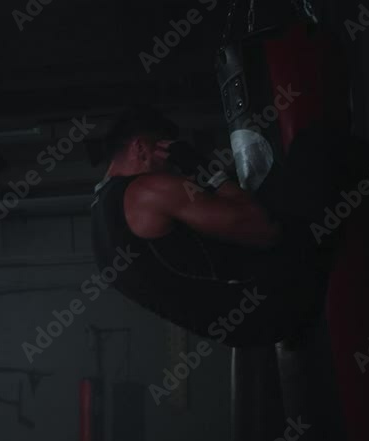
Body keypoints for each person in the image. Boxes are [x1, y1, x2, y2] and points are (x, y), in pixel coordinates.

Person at [90, 106, 355, 347]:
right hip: (279, 298)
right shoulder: (147, 190)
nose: (170, 166)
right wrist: (205, 170)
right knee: (314, 145)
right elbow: (265, 230)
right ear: (141, 148)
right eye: (164, 152)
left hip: (241, 327)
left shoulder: (100, 227)